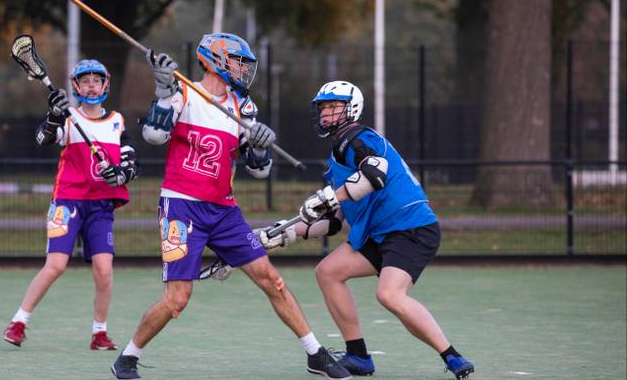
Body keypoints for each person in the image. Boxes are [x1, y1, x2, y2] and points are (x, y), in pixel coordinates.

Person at [109, 33, 351, 380]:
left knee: (272, 279)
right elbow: (153, 136)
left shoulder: (242, 108)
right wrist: (163, 93)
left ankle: (315, 353)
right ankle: (128, 358)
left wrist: (261, 146)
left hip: (224, 211)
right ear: (216, 60)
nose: (244, 70)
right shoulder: (184, 93)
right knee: (178, 298)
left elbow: (259, 170)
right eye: (239, 61)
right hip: (182, 207)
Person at [258, 80, 475, 379]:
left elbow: (375, 173)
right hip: (380, 233)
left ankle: (452, 356)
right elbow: (334, 221)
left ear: (352, 109)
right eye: (323, 108)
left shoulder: (357, 139)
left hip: (410, 228)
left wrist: (331, 196)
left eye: (333, 107)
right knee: (328, 271)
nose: (326, 114)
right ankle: (358, 356)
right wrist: (289, 233)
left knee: (389, 295)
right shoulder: (336, 160)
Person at [3, 59, 139, 351]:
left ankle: (99, 333)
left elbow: (130, 163)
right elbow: (42, 138)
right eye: (85, 80)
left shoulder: (117, 120)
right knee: (55, 265)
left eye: (96, 80)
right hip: (68, 202)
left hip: (101, 206)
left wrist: (120, 174)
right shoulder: (68, 118)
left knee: (104, 269)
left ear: (106, 84)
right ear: (76, 86)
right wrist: (53, 115)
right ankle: (18, 323)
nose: (91, 85)